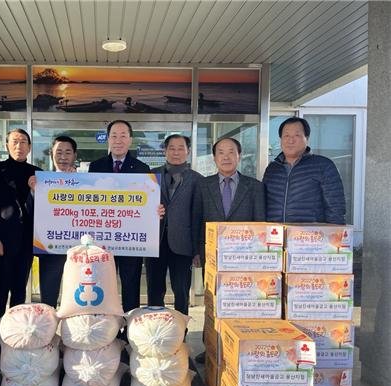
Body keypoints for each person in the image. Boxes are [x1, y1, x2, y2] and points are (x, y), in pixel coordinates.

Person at [196, 137, 266, 363]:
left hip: (245, 258)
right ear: (214, 157)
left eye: (231, 152)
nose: (226, 157)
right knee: (212, 303)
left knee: (241, 302)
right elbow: (198, 220)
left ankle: (238, 348)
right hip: (213, 256)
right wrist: (198, 252)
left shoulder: (254, 187)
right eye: (221, 152)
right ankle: (211, 349)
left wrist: (259, 256)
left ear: (239, 155)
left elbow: (261, 224)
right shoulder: (203, 186)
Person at [0, 128, 42, 364]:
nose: (19, 146)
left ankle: (15, 343)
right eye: (14, 142)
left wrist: (36, 190)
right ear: (7, 145)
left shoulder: (37, 173)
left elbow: (45, 209)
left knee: (19, 294)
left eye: (24, 142)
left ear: (29, 147)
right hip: (2, 243)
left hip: (27, 242)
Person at [88, 120, 151, 314]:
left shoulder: (142, 168)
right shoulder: (96, 166)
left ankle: (128, 331)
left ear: (130, 140)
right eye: (114, 135)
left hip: (130, 241)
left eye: (123, 135)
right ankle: (107, 331)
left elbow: (147, 202)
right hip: (103, 240)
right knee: (103, 286)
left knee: (131, 286)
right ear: (108, 139)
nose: (118, 140)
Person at [145, 134, 203, 316]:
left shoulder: (198, 180)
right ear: (165, 151)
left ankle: (181, 334)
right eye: (171, 148)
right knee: (154, 290)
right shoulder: (150, 176)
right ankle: (155, 328)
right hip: (155, 243)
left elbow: (198, 217)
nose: (176, 152)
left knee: (181, 292)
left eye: (181, 148)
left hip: (183, 244)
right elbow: (138, 207)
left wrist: (197, 250)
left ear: (188, 151)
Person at [263, 117, 346, 224]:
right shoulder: (272, 169)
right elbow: (263, 204)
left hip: (310, 237)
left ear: (307, 138)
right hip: (275, 236)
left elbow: (336, 207)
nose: (290, 140)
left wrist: (335, 236)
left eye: (297, 135)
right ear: (281, 139)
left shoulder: (323, 166)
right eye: (286, 135)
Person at [28, 135, 78, 307]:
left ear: (74, 156)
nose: (63, 157)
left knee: (77, 294)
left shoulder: (85, 181)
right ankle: (48, 330)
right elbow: (30, 212)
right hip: (50, 245)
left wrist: (79, 182)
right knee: (48, 295)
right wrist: (35, 192)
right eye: (59, 152)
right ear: (52, 155)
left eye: (68, 152)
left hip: (77, 247)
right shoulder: (41, 181)